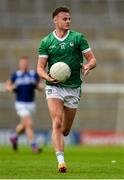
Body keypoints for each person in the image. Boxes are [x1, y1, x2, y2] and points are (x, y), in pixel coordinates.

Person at [37, 7, 96, 172]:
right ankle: (61, 162)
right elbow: (40, 68)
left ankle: (59, 138)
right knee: (56, 122)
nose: (68, 21)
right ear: (55, 20)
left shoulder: (78, 38)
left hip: (73, 88)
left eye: (69, 18)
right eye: (64, 19)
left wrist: (88, 66)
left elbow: (92, 59)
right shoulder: (46, 41)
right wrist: (47, 77)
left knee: (65, 130)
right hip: (54, 87)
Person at [6, 56, 44, 153]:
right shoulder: (16, 75)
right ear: (20, 64)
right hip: (20, 103)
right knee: (29, 124)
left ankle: (14, 137)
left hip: (31, 104)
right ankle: (34, 146)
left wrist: (40, 87)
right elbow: (8, 85)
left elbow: (40, 85)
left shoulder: (33, 74)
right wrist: (10, 88)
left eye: (26, 63)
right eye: (22, 63)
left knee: (24, 125)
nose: (24, 64)